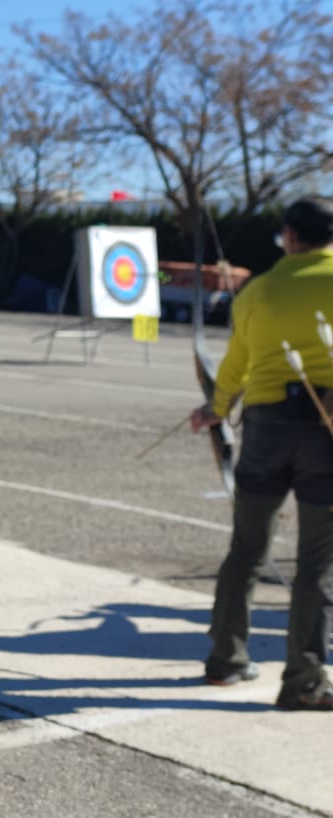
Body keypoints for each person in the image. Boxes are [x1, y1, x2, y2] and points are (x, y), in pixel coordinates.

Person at [189, 196, 333, 712]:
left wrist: (215, 408)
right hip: (325, 432)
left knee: (247, 547)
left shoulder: (259, 289)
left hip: (267, 428)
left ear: (290, 236)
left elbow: (237, 364)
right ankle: (304, 681)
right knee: (316, 562)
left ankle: (225, 659)